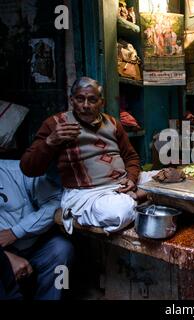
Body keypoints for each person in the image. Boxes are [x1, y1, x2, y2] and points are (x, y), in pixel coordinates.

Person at [20, 77, 144, 235]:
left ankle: (134, 196)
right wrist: (50, 141)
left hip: (121, 185)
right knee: (121, 211)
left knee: (164, 183)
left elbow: (131, 157)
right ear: (72, 100)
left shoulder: (113, 123)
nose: (85, 105)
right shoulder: (55, 124)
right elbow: (28, 168)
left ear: (102, 102)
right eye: (80, 99)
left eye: (92, 100)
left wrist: (132, 178)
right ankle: (136, 199)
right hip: (87, 194)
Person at [0, 160, 73, 300]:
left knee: (63, 249)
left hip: (33, 244)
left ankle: (55, 297)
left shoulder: (19, 171)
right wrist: (5, 257)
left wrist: (16, 232)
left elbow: (57, 202)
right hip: (3, 254)